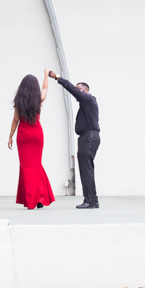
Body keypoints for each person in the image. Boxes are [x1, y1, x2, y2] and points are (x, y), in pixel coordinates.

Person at [48, 71, 100, 209]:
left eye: (79, 89)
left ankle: (89, 201)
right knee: (87, 169)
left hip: (89, 137)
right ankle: (93, 201)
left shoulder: (89, 99)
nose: (77, 92)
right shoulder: (87, 104)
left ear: (86, 90)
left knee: (86, 170)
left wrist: (58, 78)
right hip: (87, 138)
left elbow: (72, 90)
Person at [8, 70, 55, 210]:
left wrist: (10, 135)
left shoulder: (19, 101)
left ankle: (31, 199)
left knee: (26, 167)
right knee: (36, 165)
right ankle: (40, 198)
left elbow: (16, 120)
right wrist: (46, 75)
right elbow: (45, 88)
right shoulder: (39, 99)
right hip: (36, 134)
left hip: (23, 135)